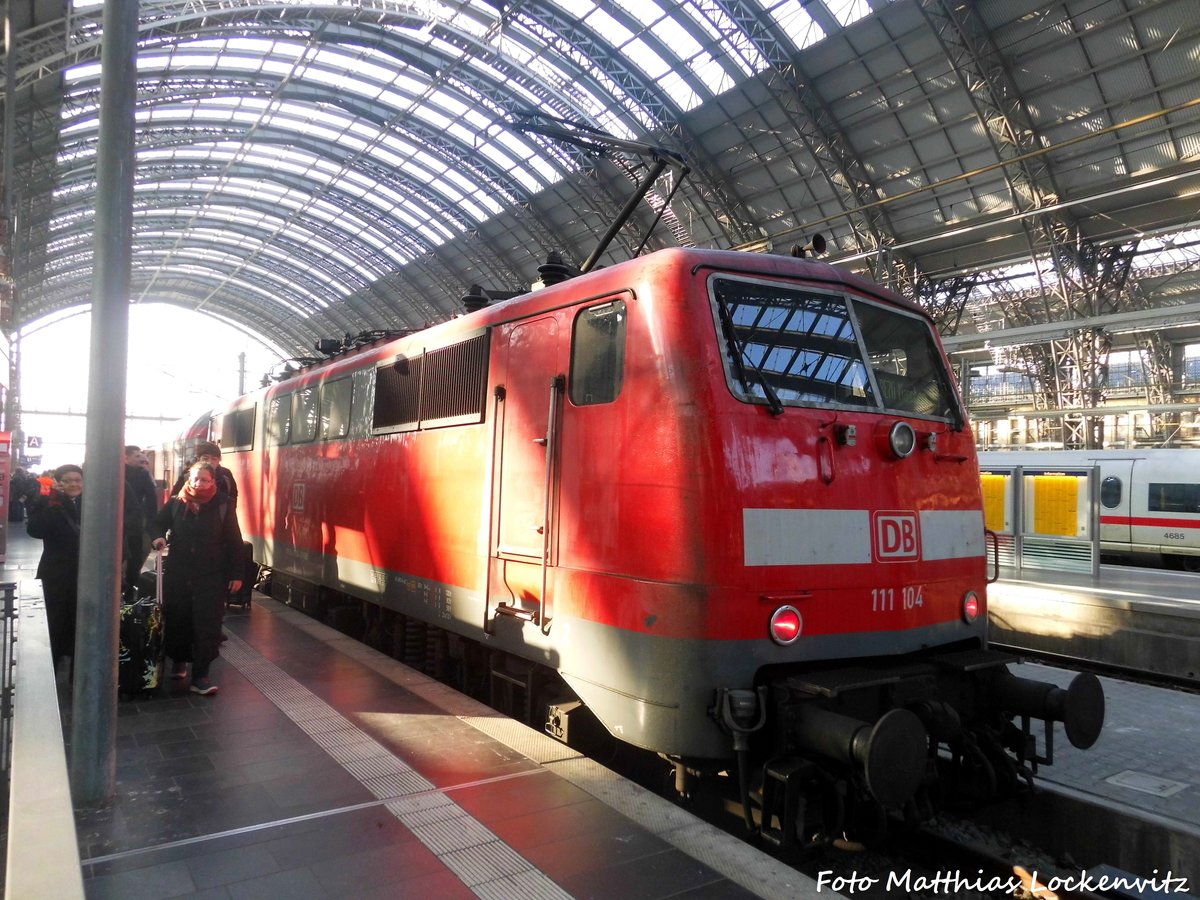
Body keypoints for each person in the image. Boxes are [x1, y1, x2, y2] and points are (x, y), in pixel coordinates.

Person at [150, 461, 244, 696]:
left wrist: (236, 574)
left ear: (213, 481)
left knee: (208, 623)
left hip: (211, 574)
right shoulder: (176, 502)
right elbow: (157, 524)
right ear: (188, 480)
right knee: (179, 618)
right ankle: (179, 661)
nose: (199, 484)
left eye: (205, 480)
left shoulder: (223, 504)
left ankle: (201, 675)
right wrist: (158, 538)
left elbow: (234, 541)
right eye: (195, 479)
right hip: (179, 573)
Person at [26, 464, 85, 679]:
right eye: (68, 480)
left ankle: (77, 671)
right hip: (56, 573)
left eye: (77, 480)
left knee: (80, 622)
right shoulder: (50, 503)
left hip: (84, 573)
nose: (73, 484)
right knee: (55, 620)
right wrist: (52, 503)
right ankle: (51, 667)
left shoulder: (91, 502)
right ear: (59, 483)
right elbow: (35, 529)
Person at [124, 445, 160, 588]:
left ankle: (129, 586)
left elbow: (151, 498)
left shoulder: (143, 474)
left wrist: (152, 520)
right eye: (137, 456)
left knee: (137, 554)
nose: (141, 458)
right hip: (124, 520)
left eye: (141, 455)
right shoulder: (116, 473)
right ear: (125, 457)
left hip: (136, 521)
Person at [170, 441, 238, 507]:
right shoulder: (187, 474)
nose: (209, 462)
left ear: (219, 460)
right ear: (199, 459)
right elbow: (174, 499)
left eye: (214, 459)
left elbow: (233, 498)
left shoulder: (226, 475)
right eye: (205, 458)